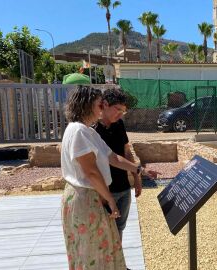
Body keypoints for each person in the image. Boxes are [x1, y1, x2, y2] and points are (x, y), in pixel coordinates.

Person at [61, 85, 157, 270]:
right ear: (87, 105)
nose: (101, 107)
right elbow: (91, 172)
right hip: (86, 197)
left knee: (99, 247)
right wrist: (110, 199)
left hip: (91, 196)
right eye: (99, 104)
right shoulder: (79, 131)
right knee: (91, 250)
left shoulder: (87, 131)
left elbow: (113, 157)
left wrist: (139, 170)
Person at [93, 88, 140, 241]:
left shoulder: (119, 124)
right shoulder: (92, 130)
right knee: (103, 231)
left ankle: (118, 264)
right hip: (105, 191)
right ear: (105, 104)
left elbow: (126, 152)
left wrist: (137, 178)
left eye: (123, 111)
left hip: (123, 188)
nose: (120, 114)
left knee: (119, 229)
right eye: (118, 109)